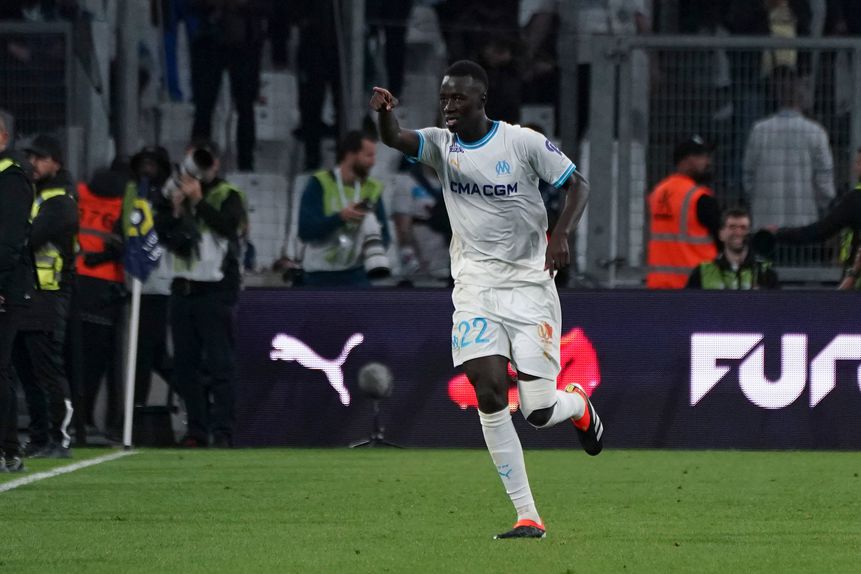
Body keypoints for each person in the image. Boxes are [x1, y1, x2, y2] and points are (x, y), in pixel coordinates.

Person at [371, 60, 602, 539]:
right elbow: (395, 139)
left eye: (458, 98)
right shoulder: (441, 144)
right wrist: (385, 114)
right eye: (444, 98)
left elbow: (578, 184)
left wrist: (560, 234)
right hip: (475, 287)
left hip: (530, 287)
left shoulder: (522, 142)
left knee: (538, 412)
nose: (449, 106)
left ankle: (577, 405)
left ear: (481, 100)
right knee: (490, 390)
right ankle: (527, 515)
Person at [155, 141, 247, 447]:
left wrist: (198, 201)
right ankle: (196, 430)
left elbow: (229, 227)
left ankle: (223, 432)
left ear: (216, 164)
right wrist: (177, 208)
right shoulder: (171, 191)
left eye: (205, 161)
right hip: (182, 289)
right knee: (185, 367)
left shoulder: (228, 194)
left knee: (221, 365)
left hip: (215, 291)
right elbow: (162, 232)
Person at [13, 135, 78, 458]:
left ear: (56, 162)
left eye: (40, 158)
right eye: (31, 157)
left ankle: (60, 438)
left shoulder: (60, 201)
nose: (34, 163)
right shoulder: (36, 196)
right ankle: (39, 437)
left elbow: (28, 240)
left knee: (47, 371)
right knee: (27, 372)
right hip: (27, 294)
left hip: (49, 296)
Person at [742, 66, 835, 228]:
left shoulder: (759, 130)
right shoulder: (816, 132)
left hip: (766, 221)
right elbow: (825, 181)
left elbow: (748, 177)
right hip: (804, 221)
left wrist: (759, 200)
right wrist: (820, 203)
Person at [298, 130, 391, 288]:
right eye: (369, 156)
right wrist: (340, 218)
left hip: (356, 275)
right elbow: (305, 231)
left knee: (370, 219)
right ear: (350, 155)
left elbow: (385, 236)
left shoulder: (373, 188)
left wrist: (370, 246)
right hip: (319, 275)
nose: (373, 162)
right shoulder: (319, 183)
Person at [772, 147, 861, 289]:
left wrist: (778, 234)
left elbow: (820, 231)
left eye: (859, 163)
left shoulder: (855, 200)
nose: (855, 168)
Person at [0, 113, 34, 472]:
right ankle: (9, 449)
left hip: (6, 286)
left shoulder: (11, 178)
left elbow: (8, 242)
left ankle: (6, 448)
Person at [646, 136, 721, 289]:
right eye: (702, 157)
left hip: (660, 286)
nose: (708, 162)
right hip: (697, 286)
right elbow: (723, 240)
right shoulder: (700, 198)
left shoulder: (658, 192)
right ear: (686, 160)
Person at [687, 208, 779, 289]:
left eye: (743, 228)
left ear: (749, 233)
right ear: (721, 234)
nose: (738, 233)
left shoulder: (765, 273)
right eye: (732, 227)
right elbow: (689, 302)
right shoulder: (702, 272)